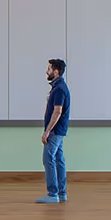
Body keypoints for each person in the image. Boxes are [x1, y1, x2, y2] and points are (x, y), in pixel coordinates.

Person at [37, 57, 71, 204]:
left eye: (49, 69)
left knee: (48, 159)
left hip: (55, 131)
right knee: (59, 160)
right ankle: (61, 194)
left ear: (56, 72)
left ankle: (53, 194)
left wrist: (47, 131)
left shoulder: (59, 89)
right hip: (59, 130)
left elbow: (57, 112)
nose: (47, 71)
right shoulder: (59, 87)